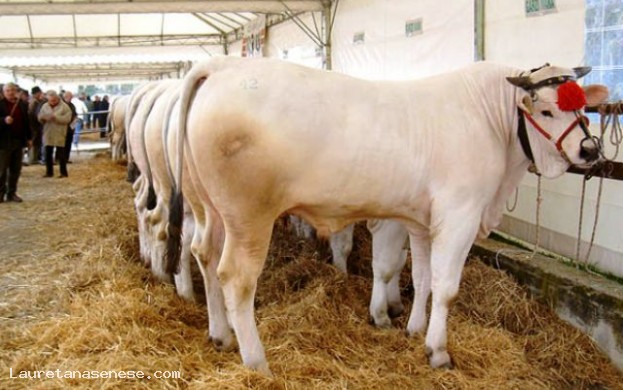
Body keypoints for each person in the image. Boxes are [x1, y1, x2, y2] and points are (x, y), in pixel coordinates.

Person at [0, 82, 31, 203]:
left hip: (19, 140)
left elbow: (26, 122)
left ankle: (12, 193)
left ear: (16, 91)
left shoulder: (22, 104)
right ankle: (0, 193)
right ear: (3, 92)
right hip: (3, 142)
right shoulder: (0, 104)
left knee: (15, 169)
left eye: (12, 90)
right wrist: (3, 120)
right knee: (2, 170)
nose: (10, 93)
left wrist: (29, 138)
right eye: (7, 90)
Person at [38, 90, 72, 178]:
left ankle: (63, 173)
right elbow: (39, 117)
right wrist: (43, 118)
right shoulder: (45, 106)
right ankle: (49, 172)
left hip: (59, 132)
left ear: (57, 98)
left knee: (61, 154)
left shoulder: (65, 107)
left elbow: (67, 119)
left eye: (54, 100)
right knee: (48, 153)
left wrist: (56, 118)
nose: (52, 102)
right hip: (48, 132)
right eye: (50, 101)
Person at [27, 86, 46, 165]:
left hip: (36, 126)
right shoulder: (33, 102)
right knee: (34, 142)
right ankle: (32, 159)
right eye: (39, 93)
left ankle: (35, 158)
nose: (40, 94)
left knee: (37, 142)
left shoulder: (36, 101)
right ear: (36, 93)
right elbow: (32, 114)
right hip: (33, 126)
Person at [62, 91, 77, 163]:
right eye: (70, 97)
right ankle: (60, 159)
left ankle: (66, 158)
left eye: (71, 97)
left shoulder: (72, 105)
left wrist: (75, 120)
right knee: (62, 144)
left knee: (68, 144)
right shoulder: (61, 105)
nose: (71, 98)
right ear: (66, 97)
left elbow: (75, 114)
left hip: (70, 128)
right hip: (63, 128)